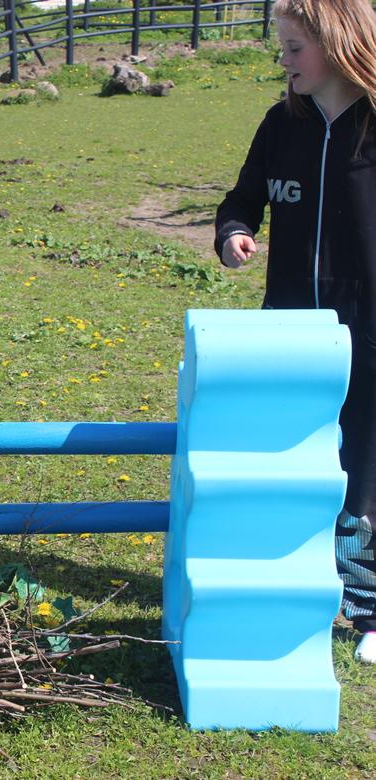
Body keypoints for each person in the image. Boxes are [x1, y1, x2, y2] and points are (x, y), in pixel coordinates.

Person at [215, 0, 376, 662]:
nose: (283, 61)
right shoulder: (281, 124)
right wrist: (234, 233)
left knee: (364, 469)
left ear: (338, 43)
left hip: (368, 332)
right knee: (295, 459)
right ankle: (291, 582)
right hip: (290, 333)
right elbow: (240, 199)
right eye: (280, 47)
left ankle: (368, 611)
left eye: (293, 48)